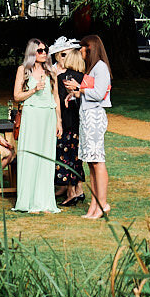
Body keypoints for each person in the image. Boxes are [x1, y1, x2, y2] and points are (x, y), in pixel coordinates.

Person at [13, 39, 62, 214]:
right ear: (32, 52)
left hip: (48, 116)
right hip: (31, 115)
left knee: (46, 157)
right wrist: (34, 90)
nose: (44, 53)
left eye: (45, 50)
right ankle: (28, 200)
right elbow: (17, 96)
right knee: (30, 155)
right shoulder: (23, 70)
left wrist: (59, 121)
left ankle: (44, 200)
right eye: (40, 50)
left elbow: (56, 98)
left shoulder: (52, 71)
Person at [78, 34, 113, 219]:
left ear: (89, 48)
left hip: (95, 117)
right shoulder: (91, 68)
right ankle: (94, 204)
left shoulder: (101, 68)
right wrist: (76, 93)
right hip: (87, 116)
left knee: (98, 160)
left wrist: (80, 89)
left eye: (82, 47)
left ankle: (103, 203)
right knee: (91, 162)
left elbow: (99, 94)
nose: (80, 50)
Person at [50, 37, 85, 206]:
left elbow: (58, 100)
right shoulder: (84, 78)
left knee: (65, 155)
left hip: (67, 121)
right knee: (76, 156)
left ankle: (71, 191)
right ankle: (79, 189)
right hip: (80, 122)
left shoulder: (62, 77)